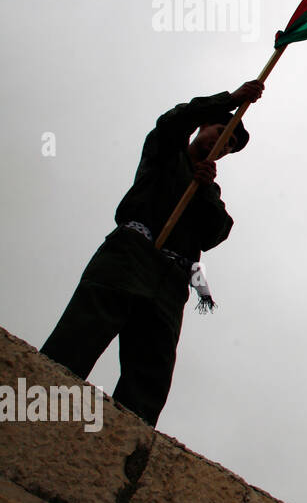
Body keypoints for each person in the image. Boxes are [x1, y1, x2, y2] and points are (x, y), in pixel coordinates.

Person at [39, 81, 264, 426]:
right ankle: (38, 409)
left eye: (231, 145)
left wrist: (203, 191)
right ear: (204, 127)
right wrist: (230, 100)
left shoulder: (209, 190)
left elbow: (216, 232)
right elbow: (173, 121)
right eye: (224, 131)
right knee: (81, 335)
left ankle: (121, 443)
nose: (225, 144)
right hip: (130, 255)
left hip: (171, 281)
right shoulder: (166, 152)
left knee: (150, 372)